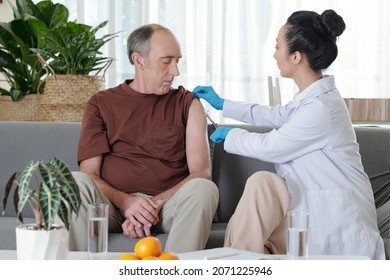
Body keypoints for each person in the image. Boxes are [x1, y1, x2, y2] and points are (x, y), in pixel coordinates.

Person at [193, 10, 385, 259]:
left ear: (295, 56)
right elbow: (274, 115)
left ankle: (235, 264)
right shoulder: (311, 101)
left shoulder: (320, 108)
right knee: (262, 182)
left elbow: (271, 146)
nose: (274, 54)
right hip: (309, 210)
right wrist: (223, 104)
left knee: (263, 183)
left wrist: (229, 136)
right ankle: (237, 262)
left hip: (336, 220)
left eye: (277, 47)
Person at [69, 23, 219, 253]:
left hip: (168, 207)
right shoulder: (100, 103)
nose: (176, 71)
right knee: (76, 181)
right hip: (112, 207)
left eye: (178, 60)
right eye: (166, 61)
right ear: (139, 61)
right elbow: (90, 174)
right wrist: (127, 202)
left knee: (204, 188)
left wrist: (152, 206)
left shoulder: (188, 104)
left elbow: (201, 172)